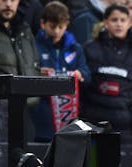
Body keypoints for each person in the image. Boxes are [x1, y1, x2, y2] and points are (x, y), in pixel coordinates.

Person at [82, 4, 132, 145]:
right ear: (105, 22)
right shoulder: (89, 48)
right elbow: (80, 85)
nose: (119, 24)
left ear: (130, 23)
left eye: (123, 20)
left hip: (126, 130)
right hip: (92, 127)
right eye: (114, 20)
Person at [34, 0, 90, 142]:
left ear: (67, 25)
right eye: (52, 26)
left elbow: (87, 74)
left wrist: (80, 75)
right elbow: (26, 71)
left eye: (61, 27)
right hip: (43, 116)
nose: (57, 31)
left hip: (70, 116)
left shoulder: (75, 48)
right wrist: (38, 73)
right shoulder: (34, 46)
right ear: (43, 23)